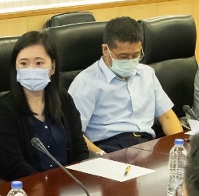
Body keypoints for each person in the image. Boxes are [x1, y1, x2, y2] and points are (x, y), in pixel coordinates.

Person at [0, 31, 90, 180]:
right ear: (15, 68)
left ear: (52, 67)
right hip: (28, 187)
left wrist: (78, 178)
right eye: (23, 64)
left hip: (71, 184)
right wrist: (47, 185)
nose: (31, 69)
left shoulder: (64, 100)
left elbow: (79, 148)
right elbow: (14, 166)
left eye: (39, 63)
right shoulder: (2, 111)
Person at [69, 16, 183, 153]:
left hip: (148, 145)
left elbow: (167, 117)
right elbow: (74, 134)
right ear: (105, 50)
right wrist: (101, 156)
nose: (130, 61)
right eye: (123, 57)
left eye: (135, 55)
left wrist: (180, 147)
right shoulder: (86, 83)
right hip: (110, 147)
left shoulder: (147, 73)